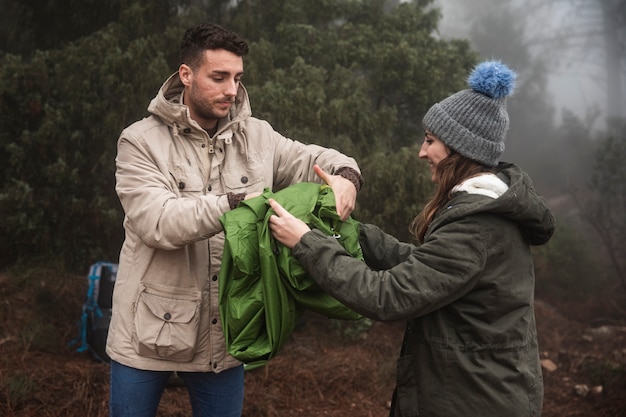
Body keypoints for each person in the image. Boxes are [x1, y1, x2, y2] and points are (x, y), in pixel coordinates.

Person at [268, 60, 556, 417]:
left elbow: (386, 296)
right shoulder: (486, 209)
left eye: (431, 141)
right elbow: (426, 267)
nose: (422, 152)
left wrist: (306, 243)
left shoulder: (476, 226)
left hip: (473, 401)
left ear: (459, 149)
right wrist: (356, 232)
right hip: (478, 390)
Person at [106, 22, 363, 417]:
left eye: (238, 78)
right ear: (186, 75)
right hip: (146, 330)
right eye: (219, 77)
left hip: (224, 333)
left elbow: (318, 159)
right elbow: (158, 222)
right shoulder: (139, 141)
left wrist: (346, 179)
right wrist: (239, 202)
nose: (232, 90)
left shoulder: (258, 137)